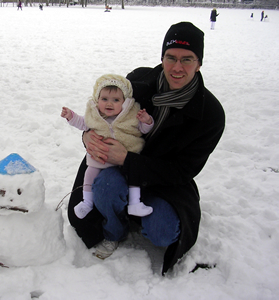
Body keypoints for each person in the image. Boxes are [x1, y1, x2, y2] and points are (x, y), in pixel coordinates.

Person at [67, 22, 225, 275]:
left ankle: (138, 210)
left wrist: (128, 159)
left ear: (199, 63)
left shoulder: (210, 114)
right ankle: (116, 224)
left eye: (187, 59)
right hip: (118, 169)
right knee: (106, 187)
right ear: (162, 57)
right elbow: (104, 117)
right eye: (170, 58)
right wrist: (87, 136)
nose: (177, 67)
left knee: (162, 232)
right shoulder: (137, 82)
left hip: (165, 182)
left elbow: (183, 171)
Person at [61, 74, 154, 223]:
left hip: (126, 155)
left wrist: (147, 121)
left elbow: (143, 130)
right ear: (97, 100)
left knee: (134, 175)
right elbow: (82, 123)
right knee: (89, 173)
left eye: (116, 100)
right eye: (104, 99)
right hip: (101, 157)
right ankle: (87, 201)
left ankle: (135, 203)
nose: (109, 104)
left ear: (124, 103)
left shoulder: (130, 117)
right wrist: (71, 116)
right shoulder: (95, 116)